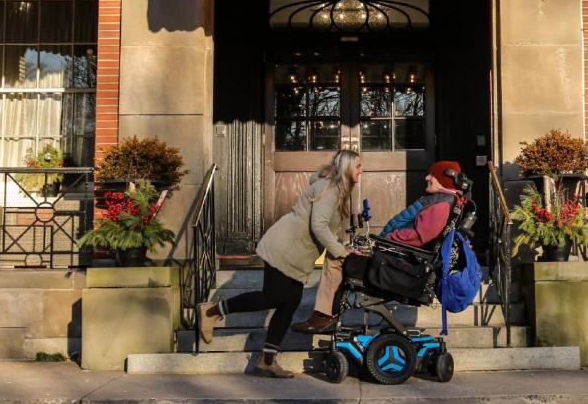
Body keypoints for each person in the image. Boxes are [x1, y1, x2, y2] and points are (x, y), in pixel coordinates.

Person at [198, 149, 363, 378]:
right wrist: (341, 251)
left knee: (290, 301)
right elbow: (319, 226)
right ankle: (212, 310)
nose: (360, 171)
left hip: (296, 253)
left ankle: (267, 360)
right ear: (346, 168)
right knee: (272, 297)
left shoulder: (336, 191)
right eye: (358, 166)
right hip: (284, 247)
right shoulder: (332, 190)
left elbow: (324, 227)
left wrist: (343, 247)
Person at [291, 160, 462, 334]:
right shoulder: (443, 202)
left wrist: (384, 241)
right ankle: (327, 316)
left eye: (432, 175)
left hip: (399, 266)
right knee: (345, 253)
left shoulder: (440, 206)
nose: (427, 177)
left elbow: (419, 237)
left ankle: (324, 317)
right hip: (398, 257)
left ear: (443, 179)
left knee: (336, 258)